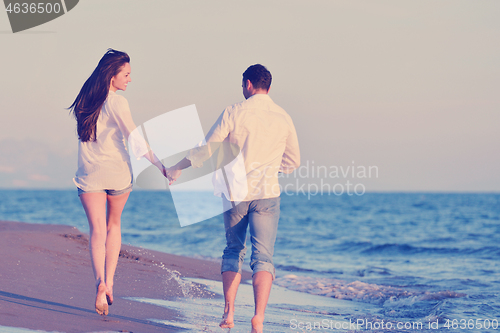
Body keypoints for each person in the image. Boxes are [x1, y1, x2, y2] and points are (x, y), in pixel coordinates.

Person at [167, 64, 300, 332]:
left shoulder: (234, 112)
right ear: (269, 87)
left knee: (233, 250)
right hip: (267, 193)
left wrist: (177, 167)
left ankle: (229, 312)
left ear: (248, 84)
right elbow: (293, 161)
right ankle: (259, 317)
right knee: (263, 257)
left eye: (243, 85)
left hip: (236, 192)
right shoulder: (283, 116)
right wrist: (272, 168)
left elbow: (205, 149)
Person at [69, 49, 169, 316]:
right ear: (112, 76)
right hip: (117, 172)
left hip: (90, 172)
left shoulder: (84, 100)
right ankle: (110, 282)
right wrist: (160, 165)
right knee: (114, 225)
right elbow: (133, 137)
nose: (129, 79)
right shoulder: (118, 102)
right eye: (126, 74)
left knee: (97, 231)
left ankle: (100, 283)